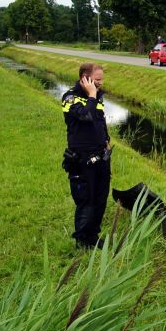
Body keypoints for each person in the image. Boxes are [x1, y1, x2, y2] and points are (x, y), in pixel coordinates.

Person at [61, 63, 112, 249]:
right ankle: (82, 241)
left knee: (100, 198)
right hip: (82, 159)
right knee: (86, 200)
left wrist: (106, 140)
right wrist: (91, 94)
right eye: (97, 80)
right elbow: (86, 116)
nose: (100, 83)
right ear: (85, 77)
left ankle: (93, 236)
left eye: (101, 79)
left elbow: (99, 120)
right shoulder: (69, 98)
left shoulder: (97, 96)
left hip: (101, 156)